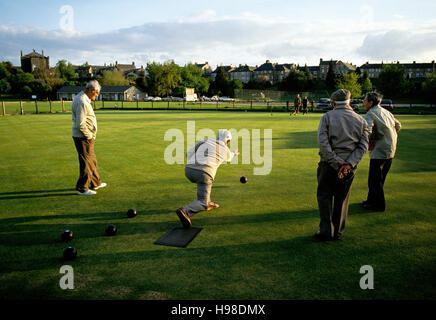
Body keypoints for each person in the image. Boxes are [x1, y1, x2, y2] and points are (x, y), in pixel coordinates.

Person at [315, 89, 369, 241]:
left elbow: (323, 143)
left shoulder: (327, 117)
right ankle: (337, 231)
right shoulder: (361, 120)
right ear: (349, 101)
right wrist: (348, 164)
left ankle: (326, 231)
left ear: (333, 102)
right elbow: (363, 147)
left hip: (328, 164)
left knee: (324, 196)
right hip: (349, 167)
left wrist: (337, 162)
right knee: (342, 198)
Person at [176, 130, 239, 228]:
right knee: (202, 202)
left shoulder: (206, 140)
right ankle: (186, 211)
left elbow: (188, 153)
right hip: (204, 173)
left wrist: (195, 163)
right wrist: (234, 153)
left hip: (188, 170)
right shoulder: (226, 149)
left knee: (202, 184)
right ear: (228, 141)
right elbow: (230, 157)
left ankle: (209, 203)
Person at [362, 92, 401, 211]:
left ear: (371, 102)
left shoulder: (370, 114)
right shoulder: (386, 111)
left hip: (380, 150)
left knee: (374, 179)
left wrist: (371, 138)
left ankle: (378, 205)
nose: (363, 103)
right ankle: (371, 200)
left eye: (364, 100)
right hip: (391, 148)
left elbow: (367, 130)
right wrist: (389, 136)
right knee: (379, 178)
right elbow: (398, 125)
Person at [71, 80, 106, 195]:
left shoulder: (83, 98)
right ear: (91, 91)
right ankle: (82, 188)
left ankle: (96, 183)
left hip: (85, 136)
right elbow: (80, 124)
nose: (96, 96)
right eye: (96, 93)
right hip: (83, 137)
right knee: (86, 162)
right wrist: (89, 135)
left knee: (92, 160)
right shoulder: (82, 101)